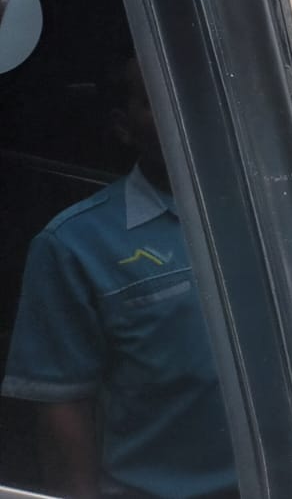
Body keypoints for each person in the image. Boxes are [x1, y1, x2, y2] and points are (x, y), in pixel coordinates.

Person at [3, 59, 238, 499]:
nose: (183, 109)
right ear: (123, 126)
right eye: (155, 101)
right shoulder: (73, 244)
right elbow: (62, 406)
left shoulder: (282, 213)